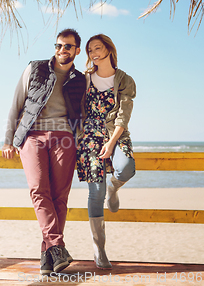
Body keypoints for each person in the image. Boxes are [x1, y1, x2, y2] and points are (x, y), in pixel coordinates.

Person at [2, 28, 86, 275]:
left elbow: (80, 112)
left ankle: (47, 258)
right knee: (39, 190)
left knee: (60, 196)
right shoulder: (35, 68)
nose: (62, 50)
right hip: (33, 137)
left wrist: (79, 140)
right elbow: (16, 105)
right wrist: (9, 140)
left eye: (68, 46)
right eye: (58, 45)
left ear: (77, 51)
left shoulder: (80, 79)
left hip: (65, 139)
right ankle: (57, 245)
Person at [76, 34, 136, 269]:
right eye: (90, 50)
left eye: (98, 48)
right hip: (89, 137)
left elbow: (124, 114)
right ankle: (99, 249)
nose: (93, 53)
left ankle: (115, 187)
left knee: (125, 168)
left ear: (109, 50)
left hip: (116, 134)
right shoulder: (85, 79)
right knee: (95, 193)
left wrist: (111, 144)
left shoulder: (125, 80)